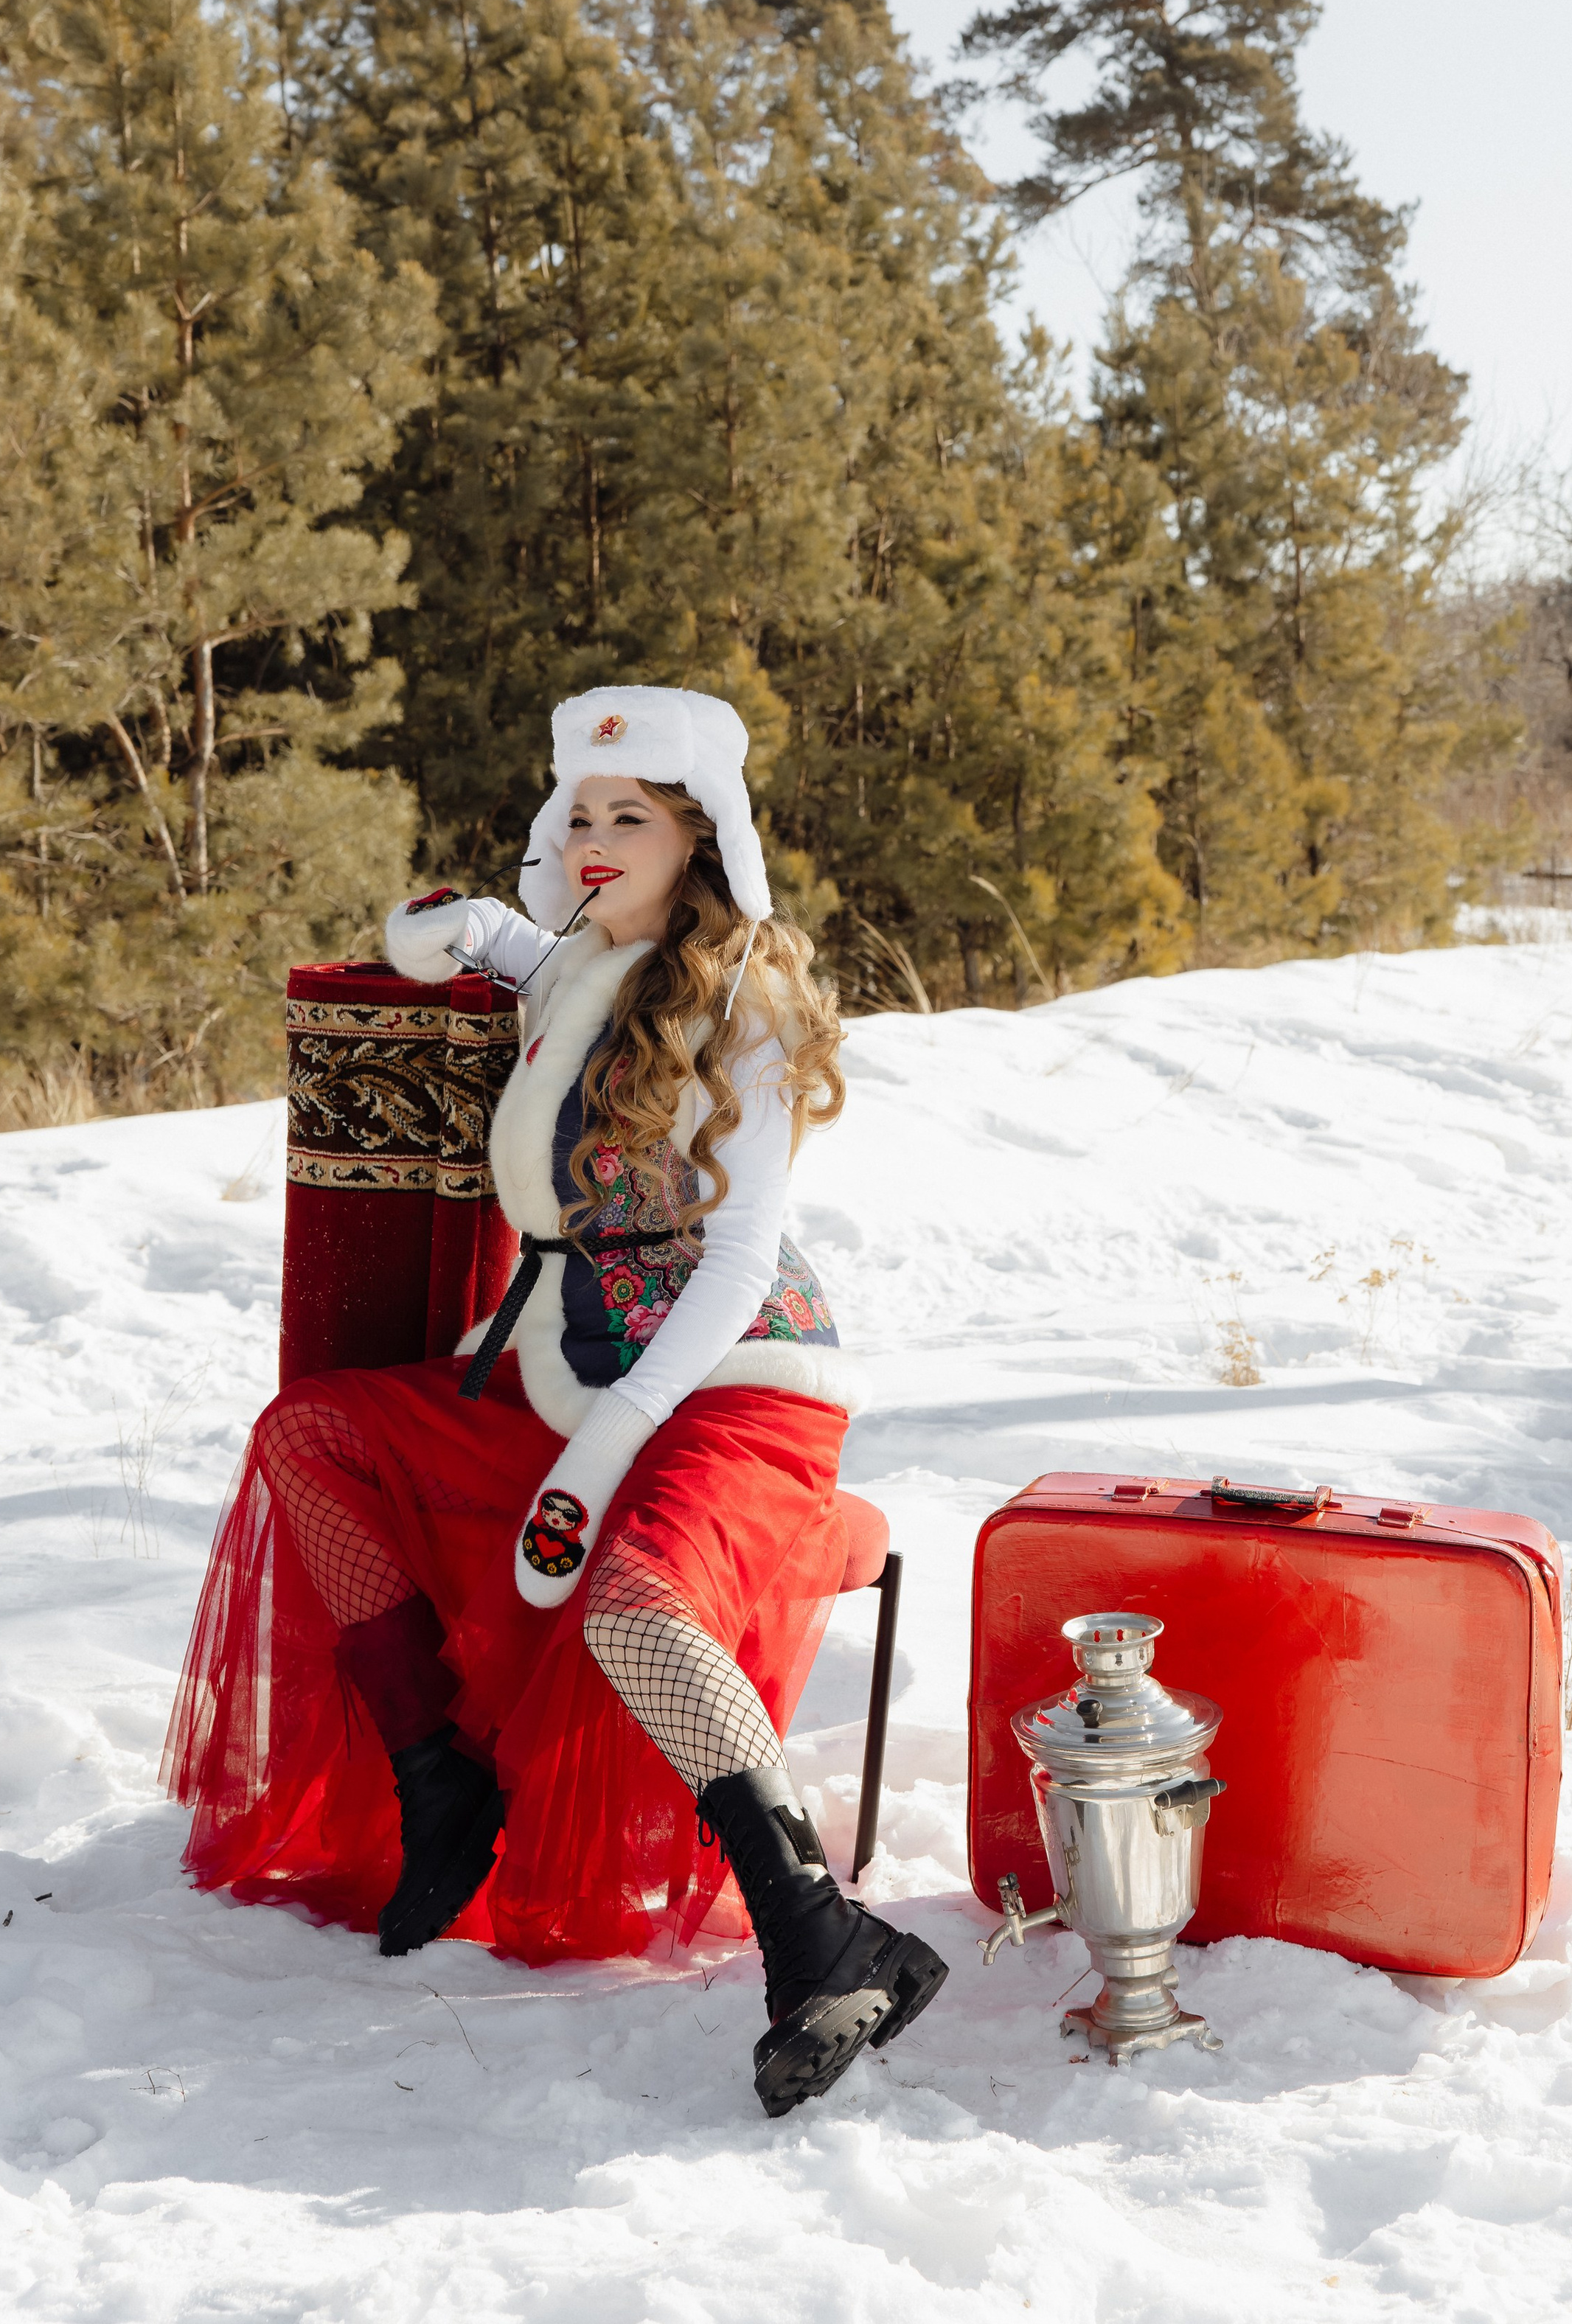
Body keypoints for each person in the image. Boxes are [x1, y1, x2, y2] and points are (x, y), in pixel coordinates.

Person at [164, 684, 947, 2117]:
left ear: (695, 836)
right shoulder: (588, 963)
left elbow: (739, 1256)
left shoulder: (746, 995)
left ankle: (826, 1937)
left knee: (630, 1597)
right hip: (575, 1362)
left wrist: (608, 1439)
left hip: (730, 1376)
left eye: (627, 816)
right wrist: (454, 927)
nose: (594, 837)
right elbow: (527, 959)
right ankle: (439, 1775)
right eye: (577, 813)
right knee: (312, 1437)